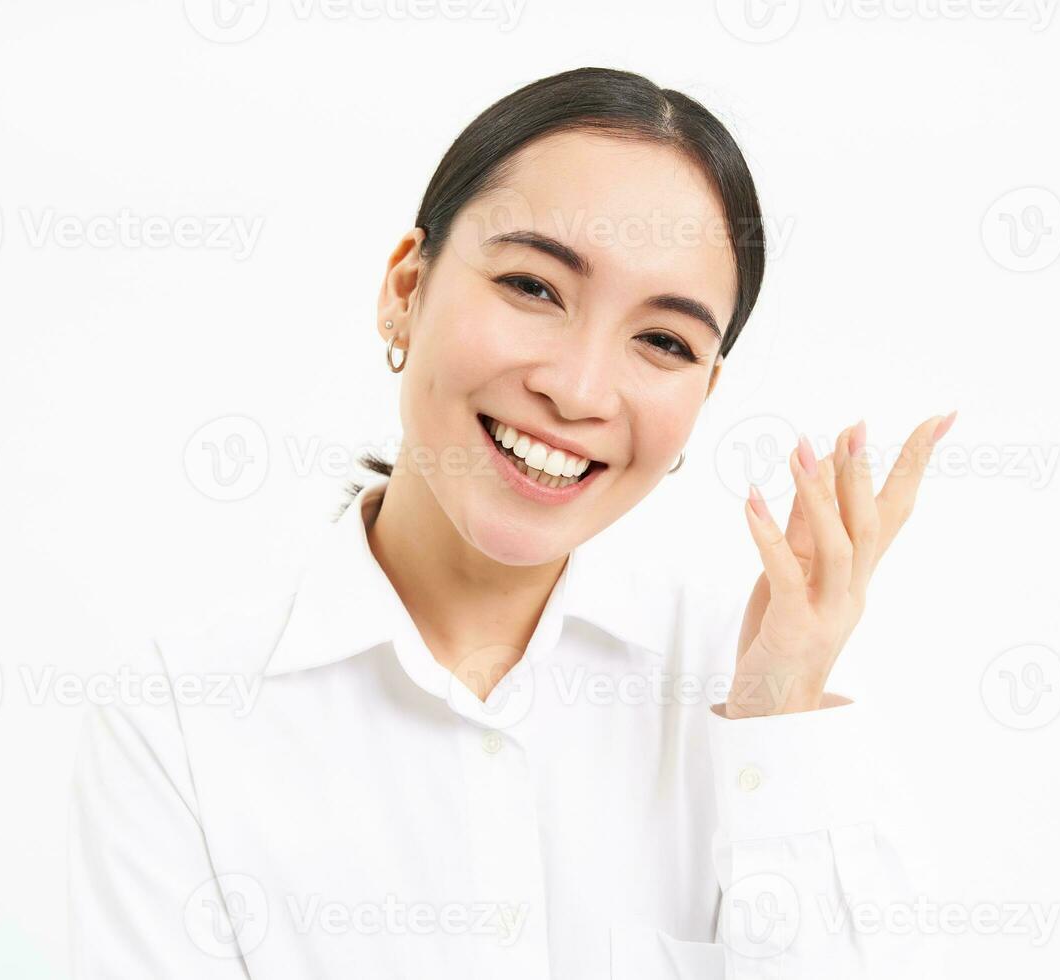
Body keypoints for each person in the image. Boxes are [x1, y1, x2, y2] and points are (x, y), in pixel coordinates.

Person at [68, 65, 956, 979]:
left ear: (705, 394)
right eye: (534, 287)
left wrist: (778, 717)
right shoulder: (180, 721)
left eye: (663, 341)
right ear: (405, 288)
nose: (576, 390)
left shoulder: (746, 701)